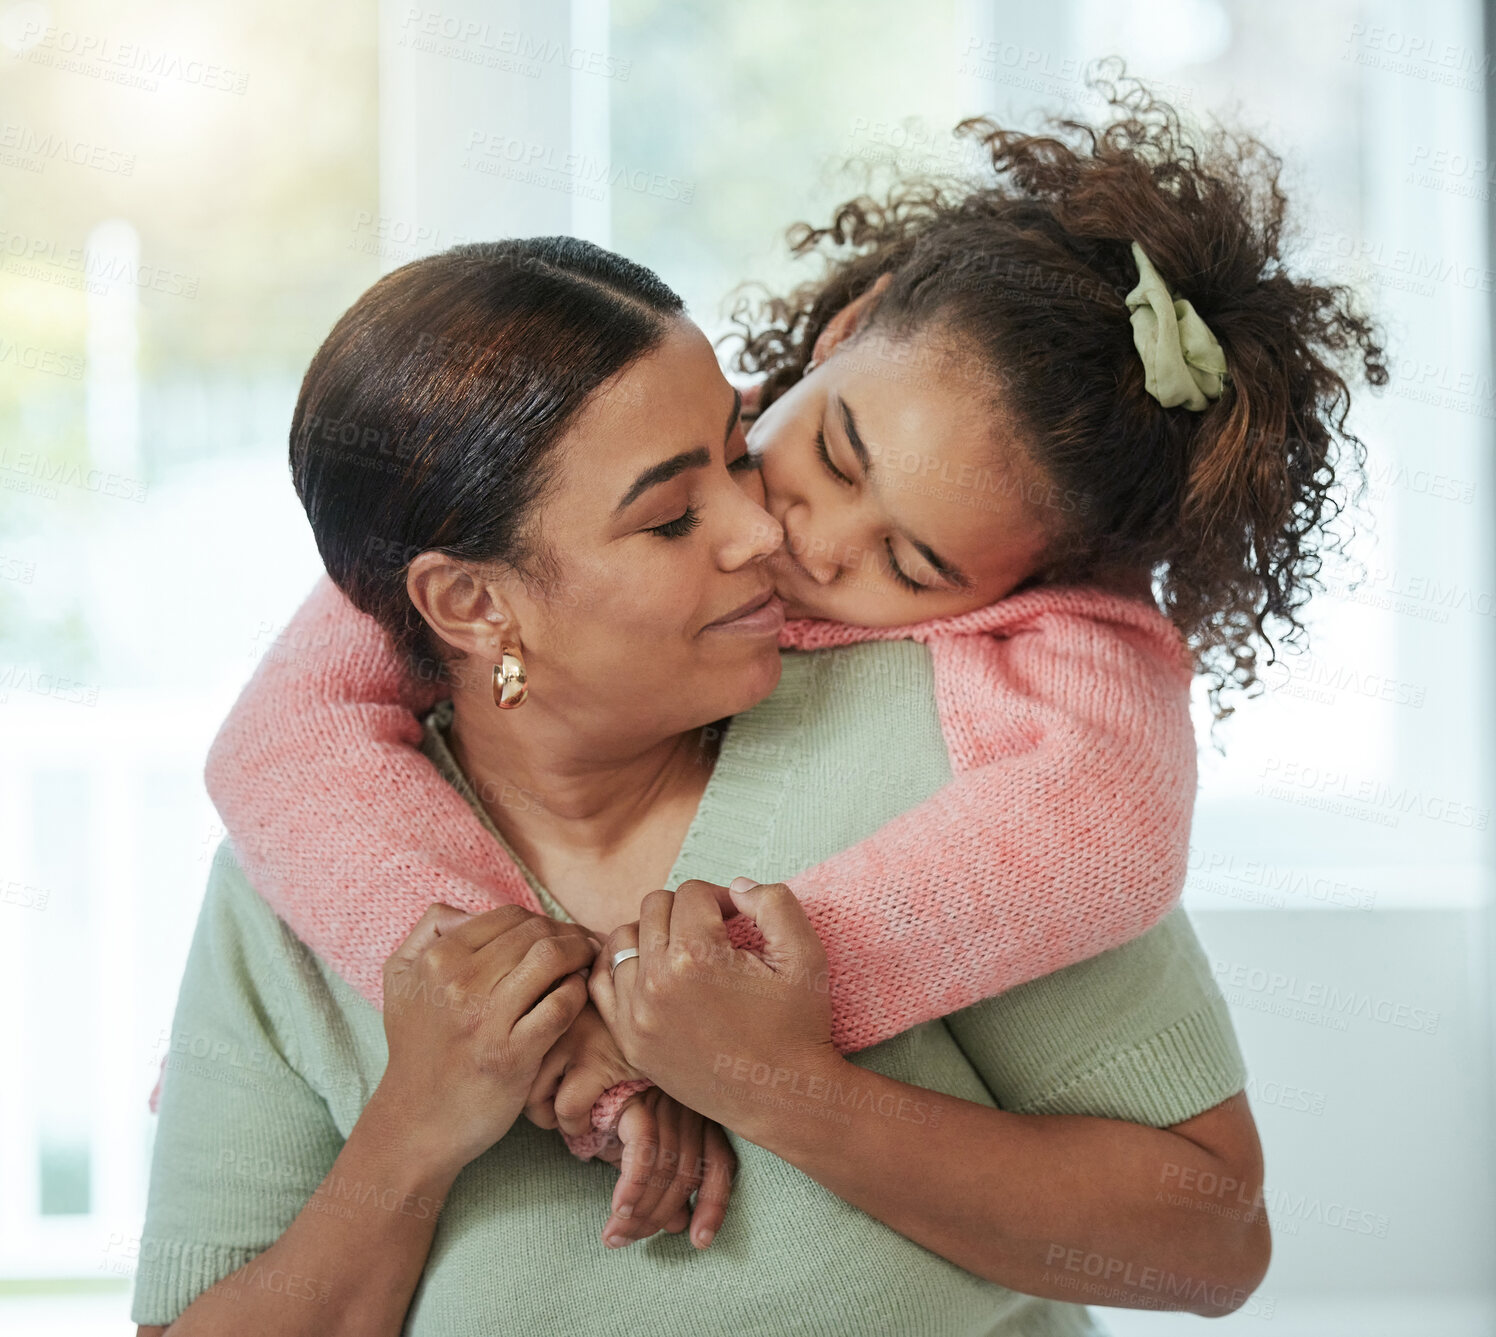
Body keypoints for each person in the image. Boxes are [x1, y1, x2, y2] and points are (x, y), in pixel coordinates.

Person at [197, 85, 1383, 1182]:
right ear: (842, 330)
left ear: (1036, 587)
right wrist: (546, 1029)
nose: (797, 540)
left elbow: (1106, 829)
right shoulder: (619, 455)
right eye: (827, 455)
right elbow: (285, 732)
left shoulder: (1057, 657)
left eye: (910, 564)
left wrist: (715, 1001)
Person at [135, 230, 1268, 1337]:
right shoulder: (303, 861)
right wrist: (412, 1130)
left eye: (734, 449)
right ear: (474, 605)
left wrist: (781, 1084)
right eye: (673, 514)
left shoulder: (972, 766)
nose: (763, 527)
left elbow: (1210, 1243)